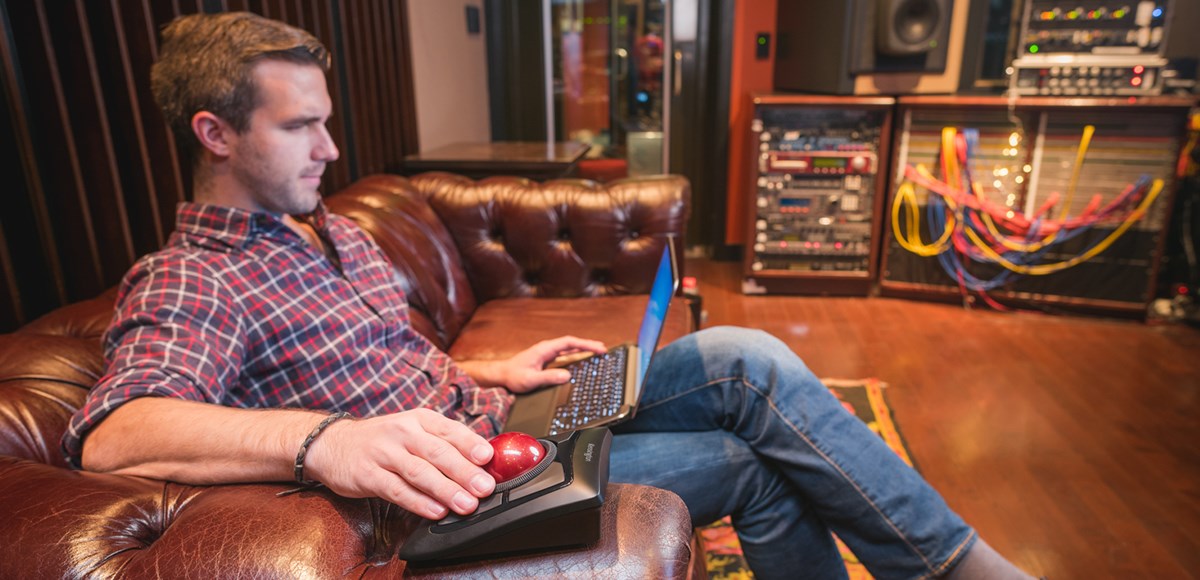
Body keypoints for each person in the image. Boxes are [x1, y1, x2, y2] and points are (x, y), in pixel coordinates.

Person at [65, 12, 1035, 580]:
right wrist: (326, 439)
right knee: (751, 459)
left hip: (501, 411)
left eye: (328, 123)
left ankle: (950, 563)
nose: (329, 149)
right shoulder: (196, 274)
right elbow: (115, 430)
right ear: (217, 133)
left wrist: (481, 365)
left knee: (747, 357)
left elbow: (385, 362)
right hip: (469, 490)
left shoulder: (335, 229)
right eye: (302, 127)